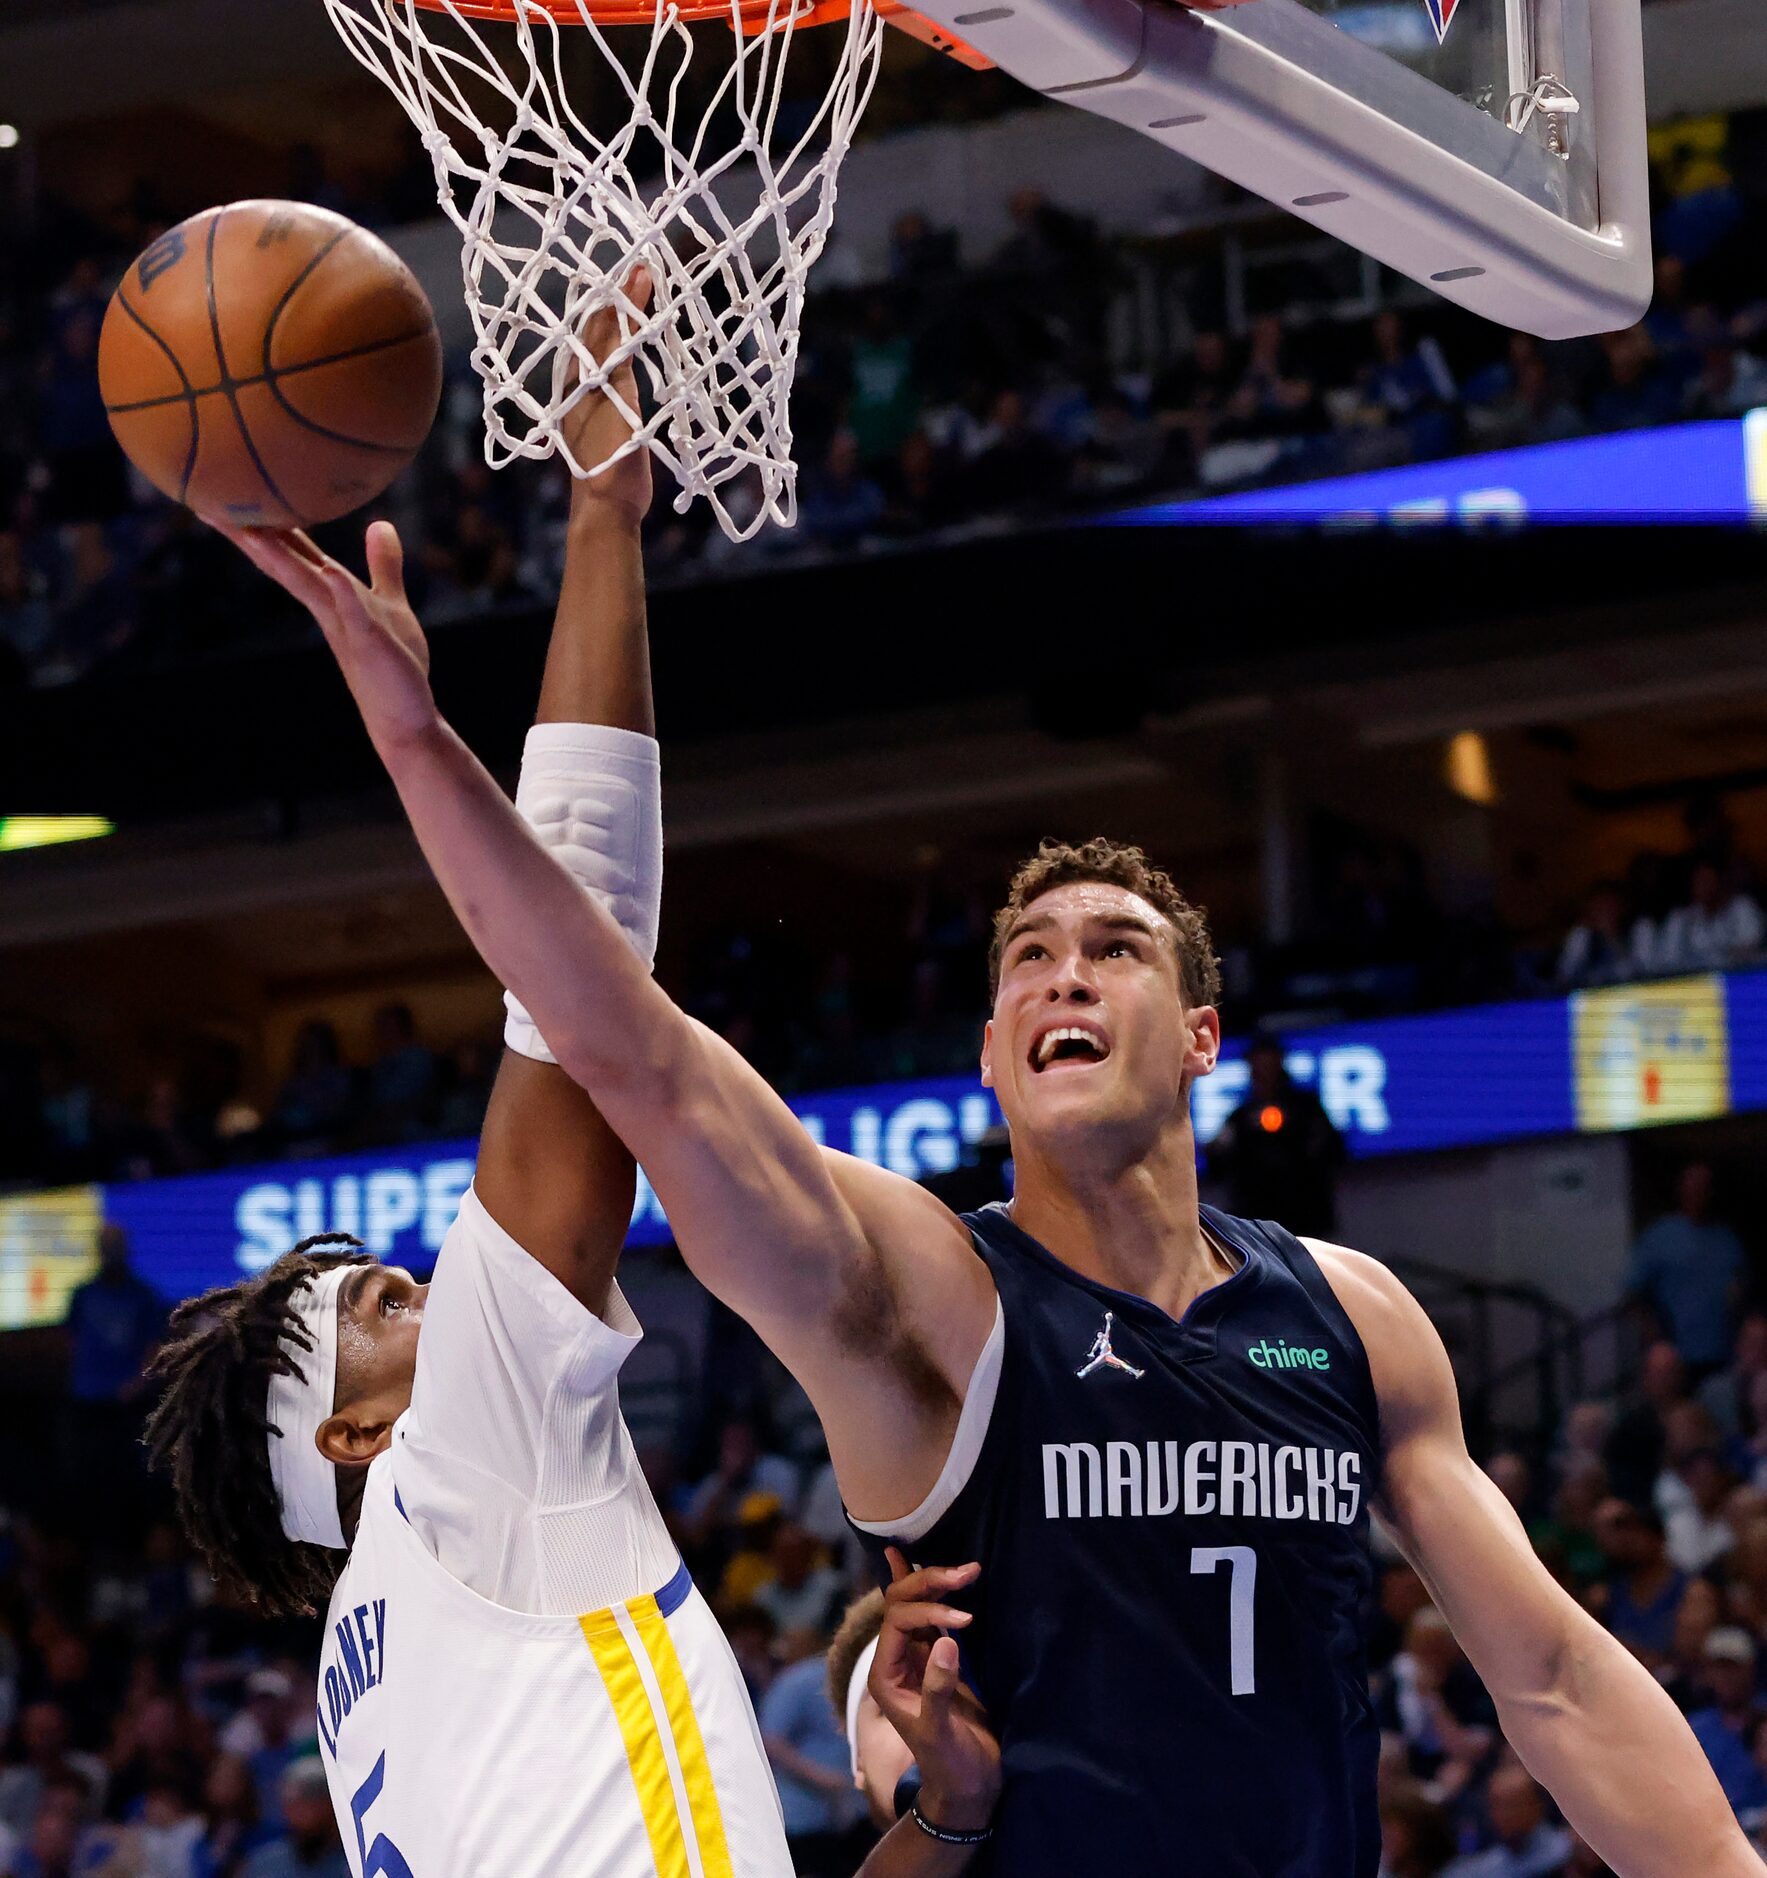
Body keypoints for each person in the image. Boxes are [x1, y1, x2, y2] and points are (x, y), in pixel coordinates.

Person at [218, 444, 1761, 1876]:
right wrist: (423, 744)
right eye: (1025, 955)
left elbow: (1549, 1679)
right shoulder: (922, 1287)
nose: (1063, 974)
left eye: (1114, 950)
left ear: (1202, 1032)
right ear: (987, 1052)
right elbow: (620, 1043)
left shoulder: (1351, 1313)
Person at [144, 284, 792, 1878]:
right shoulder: (455, 1464)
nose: (429, 1289)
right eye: (380, 1307)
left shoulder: (367, 1676)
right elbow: (583, 981)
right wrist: (600, 509)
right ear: (354, 1440)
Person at [1204, 1035, 1346, 1236]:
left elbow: (1334, 1150)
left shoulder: (1307, 1109)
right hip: (1258, 1224)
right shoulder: (1240, 1118)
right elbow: (1217, 1164)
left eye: (1269, 1067)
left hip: (1307, 1215)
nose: (1264, 1074)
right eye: (1258, 1068)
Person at [1627, 1164, 1748, 1377]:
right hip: (1678, 1358)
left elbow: (1742, 1285)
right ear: (1681, 1190)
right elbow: (1632, 1293)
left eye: (1704, 1188)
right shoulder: (1661, 1236)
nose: (1698, 1193)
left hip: (1725, 1355)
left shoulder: (1726, 1238)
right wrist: (1656, 1338)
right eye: (1692, 1187)